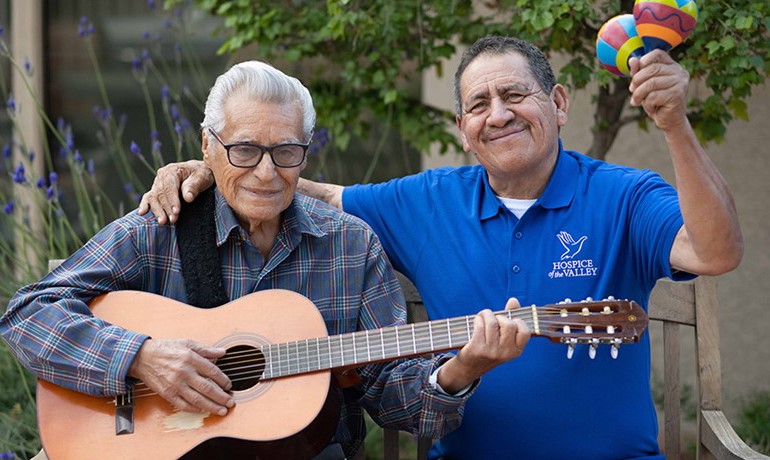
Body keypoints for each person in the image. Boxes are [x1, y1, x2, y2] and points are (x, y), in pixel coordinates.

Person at [137, 36, 743, 459]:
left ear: (558, 105)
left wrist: (674, 124)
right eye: (479, 104)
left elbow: (714, 253)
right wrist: (217, 170)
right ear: (463, 130)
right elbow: (306, 188)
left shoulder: (625, 196)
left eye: (515, 95)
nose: (497, 115)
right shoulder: (426, 201)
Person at [0, 60, 531, 460]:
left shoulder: (350, 246)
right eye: (245, 149)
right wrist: (140, 358)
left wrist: (462, 369)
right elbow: (27, 313)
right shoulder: (161, 226)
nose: (266, 172)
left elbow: (394, 398)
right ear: (208, 147)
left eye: (286, 152)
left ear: (305, 151)